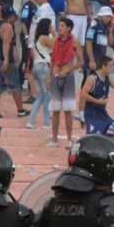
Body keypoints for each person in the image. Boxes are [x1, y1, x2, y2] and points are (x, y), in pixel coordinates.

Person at [0, 6, 27, 118]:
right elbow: (6, 44)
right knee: (15, 85)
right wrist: (6, 60)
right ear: (10, 16)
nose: (15, 19)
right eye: (14, 16)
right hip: (3, 59)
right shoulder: (7, 26)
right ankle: (20, 110)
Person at [48, 18, 82, 147]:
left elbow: (80, 62)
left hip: (68, 76)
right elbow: (52, 60)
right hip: (56, 75)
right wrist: (49, 76)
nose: (60, 27)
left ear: (68, 28)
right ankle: (54, 138)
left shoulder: (75, 42)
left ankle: (68, 138)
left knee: (68, 109)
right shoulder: (55, 41)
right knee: (55, 109)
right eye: (59, 25)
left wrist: (68, 69)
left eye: (62, 26)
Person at [80, 56, 114, 135]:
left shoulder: (107, 78)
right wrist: (98, 101)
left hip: (102, 113)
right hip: (92, 115)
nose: (112, 68)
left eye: (113, 66)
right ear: (103, 66)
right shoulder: (92, 79)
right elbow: (83, 94)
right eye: (110, 66)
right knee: (95, 138)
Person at [26, 19, 53, 130]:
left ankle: (31, 121)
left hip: (36, 68)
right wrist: (55, 32)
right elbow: (57, 44)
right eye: (50, 26)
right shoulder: (44, 38)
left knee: (40, 97)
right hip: (43, 67)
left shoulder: (38, 40)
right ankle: (46, 123)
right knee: (47, 96)